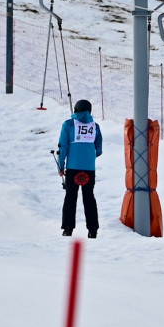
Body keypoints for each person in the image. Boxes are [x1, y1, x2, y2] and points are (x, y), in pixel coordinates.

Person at [57, 99, 103, 238]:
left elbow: (63, 147)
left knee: (70, 197)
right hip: (89, 168)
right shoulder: (95, 126)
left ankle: (68, 228)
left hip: (72, 168)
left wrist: (61, 166)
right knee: (89, 197)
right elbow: (99, 149)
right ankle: (93, 229)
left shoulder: (69, 124)